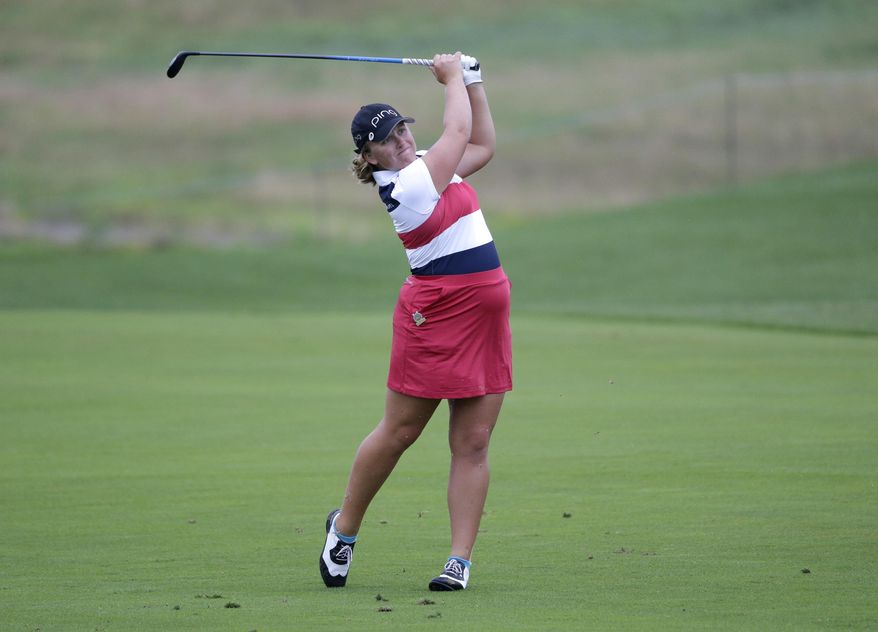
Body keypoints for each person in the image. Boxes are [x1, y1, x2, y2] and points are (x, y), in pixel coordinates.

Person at [319, 52, 511, 592]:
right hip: (436, 317)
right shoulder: (407, 186)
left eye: (402, 127)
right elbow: (457, 129)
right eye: (388, 137)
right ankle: (346, 528)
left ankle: (459, 561)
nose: (401, 139)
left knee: (472, 442)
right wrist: (450, 78)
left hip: (484, 317)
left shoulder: (428, 163)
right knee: (402, 430)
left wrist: (474, 81)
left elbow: (483, 145)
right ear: (369, 156)